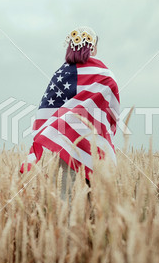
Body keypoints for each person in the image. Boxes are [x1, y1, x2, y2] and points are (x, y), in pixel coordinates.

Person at [20, 26, 120, 200]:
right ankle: (94, 222)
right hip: (94, 137)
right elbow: (112, 105)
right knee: (98, 187)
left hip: (67, 139)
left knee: (65, 189)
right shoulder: (104, 74)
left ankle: (64, 223)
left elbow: (49, 107)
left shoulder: (60, 74)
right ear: (92, 48)